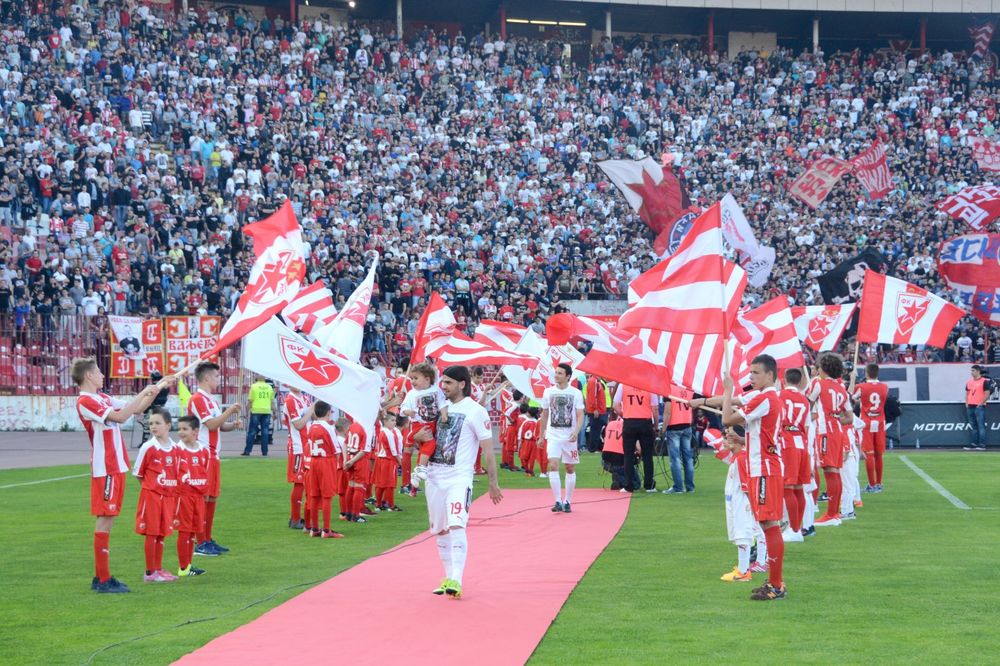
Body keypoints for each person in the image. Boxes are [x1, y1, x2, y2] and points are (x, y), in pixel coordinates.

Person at [692, 354, 786, 601]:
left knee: (769, 524)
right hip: (762, 465)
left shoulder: (765, 398)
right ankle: (773, 581)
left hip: (764, 468)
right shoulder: (762, 397)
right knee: (766, 524)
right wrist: (701, 400)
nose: (751, 377)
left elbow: (726, 418)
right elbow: (732, 403)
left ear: (770, 375)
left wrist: (728, 388)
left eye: (755, 373)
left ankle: (776, 584)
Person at [73, 356, 169, 594]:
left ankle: (102, 577)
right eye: (98, 372)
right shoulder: (86, 401)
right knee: (105, 518)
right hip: (106, 467)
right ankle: (102, 579)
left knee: (110, 518)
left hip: (116, 465)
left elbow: (136, 408)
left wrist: (158, 388)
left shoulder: (102, 398)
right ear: (89, 376)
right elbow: (120, 416)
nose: (102, 375)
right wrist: (146, 390)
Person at [412, 365, 502, 599]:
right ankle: (447, 577)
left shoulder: (475, 411)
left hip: (459, 478)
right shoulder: (436, 408)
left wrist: (493, 483)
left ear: (462, 384)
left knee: (456, 524)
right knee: (440, 531)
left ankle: (457, 579)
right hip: (434, 477)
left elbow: (488, 450)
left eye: (448, 383)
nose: (443, 387)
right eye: (442, 382)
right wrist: (415, 438)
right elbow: (419, 440)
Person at [188, 361, 242, 556]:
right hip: (203, 454)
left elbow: (219, 426)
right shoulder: (198, 399)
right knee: (204, 497)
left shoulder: (212, 400)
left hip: (213, 454)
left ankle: (207, 538)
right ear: (206, 378)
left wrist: (232, 424)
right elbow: (210, 425)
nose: (219, 379)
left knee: (212, 497)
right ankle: (200, 541)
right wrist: (229, 412)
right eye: (217, 376)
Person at [132, 407, 180, 583]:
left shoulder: (175, 448)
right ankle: (150, 572)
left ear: (168, 425)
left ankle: (159, 569)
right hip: (152, 497)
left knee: (162, 533)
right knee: (152, 533)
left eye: (157, 423)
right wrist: (151, 489)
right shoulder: (148, 447)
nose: (153, 426)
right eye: (151, 423)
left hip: (168, 498)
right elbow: (138, 473)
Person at [807, 353, 851, 528]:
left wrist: (818, 418)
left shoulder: (818, 383)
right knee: (835, 470)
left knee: (829, 470)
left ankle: (831, 514)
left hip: (825, 431)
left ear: (822, 368)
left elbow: (806, 404)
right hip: (838, 430)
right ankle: (834, 512)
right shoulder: (841, 388)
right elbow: (849, 417)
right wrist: (834, 418)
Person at [540, 364, 585, 512]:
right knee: (553, 465)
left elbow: (580, 415)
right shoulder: (548, 392)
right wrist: (541, 435)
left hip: (569, 436)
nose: (556, 375)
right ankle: (557, 501)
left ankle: (568, 501)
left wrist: (576, 432)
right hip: (553, 435)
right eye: (556, 372)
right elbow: (544, 414)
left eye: (560, 373)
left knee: (569, 468)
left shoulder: (576, 393)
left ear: (567, 376)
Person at [401, 362, 449, 493]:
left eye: (416, 378)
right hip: (418, 424)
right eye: (411, 378)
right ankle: (421, 467)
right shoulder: (411, 393)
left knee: (426, 449)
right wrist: (408, 412)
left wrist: (444, 414)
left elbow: (442, 403)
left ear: (427, 379)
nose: (413, 381)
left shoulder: (436, 390)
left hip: (432, 423)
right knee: (430, 443)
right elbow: (403, 407)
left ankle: (416, 477)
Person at [174, 415, 209, 577]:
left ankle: (188, 565)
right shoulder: (177, 450)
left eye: (184, 429)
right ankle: (183, 567)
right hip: (184, 496)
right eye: (179, 429)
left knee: (194, 530)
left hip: (198, 496)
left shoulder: (203, 450)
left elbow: (205, 470)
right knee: (184, 530)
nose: (181, 432)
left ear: (195, 431)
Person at [778, 369, 810, 543]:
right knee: (798, 488)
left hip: (787, 442)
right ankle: (797, 527)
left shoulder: (779, 395)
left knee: (788, 488)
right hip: (801, 443)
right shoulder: (805, 400)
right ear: (799, 382)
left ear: (784, 380)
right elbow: (806, 425)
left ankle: (794, 529)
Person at [305, 401, 345, 539]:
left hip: (314, 461)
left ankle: (315, 528)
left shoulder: (311, 426)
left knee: (314, 496)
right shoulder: (328, 427)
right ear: (328, 412)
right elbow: (336, 449)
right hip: (326, 461)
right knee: (327, 496)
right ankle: (326, 530)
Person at [613, 382, 659, 494]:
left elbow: (616, 405)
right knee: (647, 455)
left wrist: (625, 415)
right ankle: (649, 485)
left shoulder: (623, 385)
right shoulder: (649, 386)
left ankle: (628, 486)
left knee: (628, 455)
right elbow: (655, 409)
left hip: (629, 422)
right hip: (645, 422)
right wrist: (656, 426)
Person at [853, 364, 888, 491]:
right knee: (879, 454)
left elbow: (851, 399)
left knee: (869, 453)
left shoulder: (861, 387)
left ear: (866, 373)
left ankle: (872, 484)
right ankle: (879, 483)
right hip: (880, 421)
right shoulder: (884, 387)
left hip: (866, 421)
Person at [284, 386, 314, 528]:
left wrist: (317, 408)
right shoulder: (290, 400)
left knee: (306, 481)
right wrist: (311, 410)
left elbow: (312, 416)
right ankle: (295, 518)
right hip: (298, 446)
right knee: (299, 482)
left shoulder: (305, 397)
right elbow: (298, 424)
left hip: (307, 445)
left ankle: (299, 517)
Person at [663, 385, 695, 494]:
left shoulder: (668, 388)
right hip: (687, 425)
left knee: (675, 459)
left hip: (674, 427)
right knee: (688, 458)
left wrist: (663, 429)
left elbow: (667, 412)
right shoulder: (689, 389)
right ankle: (690, 486)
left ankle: (678, 487)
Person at [340, 417, 372, 523]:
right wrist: (353, 461)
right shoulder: (366, 428)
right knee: (359, 487)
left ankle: (348, 513)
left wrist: (346, 460)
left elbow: (345, 443)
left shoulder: (352, 426)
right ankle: (356, 515)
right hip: (360, 460)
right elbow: (364, 450)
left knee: (351, 486)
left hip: (350, 457)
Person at [374, 412, 404, 512]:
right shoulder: (389, 433)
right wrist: (400, 462)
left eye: (395, 420)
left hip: (380, 459)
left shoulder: (382, 431)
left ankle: (379, 504)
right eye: (392, 420)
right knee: (390, 483)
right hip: (388, 460)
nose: (394, 423)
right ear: (385, 421)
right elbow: (393, 450)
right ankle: (390, 505)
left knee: (380, 483)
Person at [243, 375, 275, 456]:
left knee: (252, 431)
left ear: (256, 378)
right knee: (265, 431)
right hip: (267, 411)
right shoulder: (269, 387)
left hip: (256, 411)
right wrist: (275, 412)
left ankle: (247, 451)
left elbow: (250, 401)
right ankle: (265, 452)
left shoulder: (254, 386)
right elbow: (272, 402)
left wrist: (246, 411)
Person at [964, 365, 990, 451]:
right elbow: (967, 393)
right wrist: (967, 403)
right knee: (973, 426)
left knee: (981, 426)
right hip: (970, 406)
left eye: (973, 371)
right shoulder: (969, 382)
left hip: (979, 406)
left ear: (978, 371)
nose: (972, 372)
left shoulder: (984, 381)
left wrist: (981, 403)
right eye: (971, 371)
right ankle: (974, 444)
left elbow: (987, 393)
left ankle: (982, 445)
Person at [584, 374, 610, 453]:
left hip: (599, 410)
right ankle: (593, 448)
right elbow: (593, 396)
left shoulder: (596, 381)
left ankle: (595, 447)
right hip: (596, 411)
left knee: (597, 430)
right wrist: (595, 409)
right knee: (595, 430)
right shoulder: (593, 381)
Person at [518, 405, 541, 477]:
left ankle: (528, 470)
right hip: (534, 442)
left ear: (528, 413)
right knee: (531, 458)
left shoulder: (525, 422)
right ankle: (530, 471)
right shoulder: (537, 422)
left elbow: (520, 432)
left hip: (526, 442)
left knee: (523, 457)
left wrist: (519, 442)